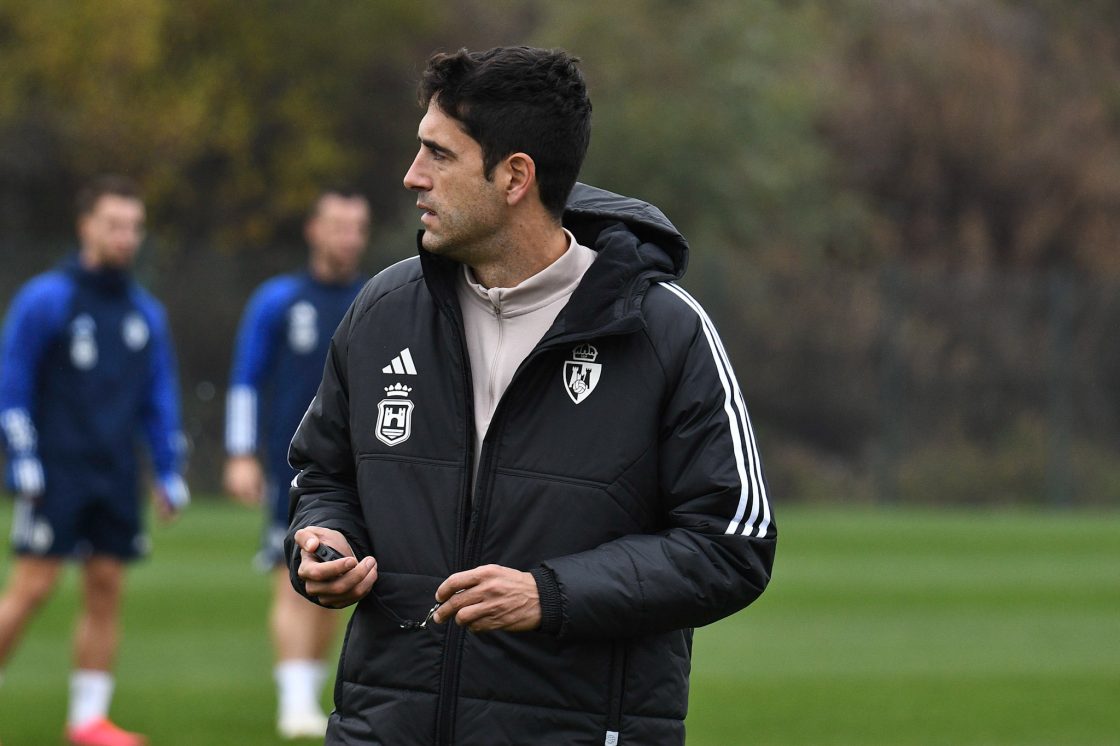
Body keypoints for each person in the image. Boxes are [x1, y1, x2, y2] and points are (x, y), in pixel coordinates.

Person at [285, 46, 776, 745]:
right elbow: (323, 473)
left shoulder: (665, 331)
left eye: (439, 155)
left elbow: (733, 545)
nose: (411, 176)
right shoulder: (385, 309)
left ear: (515, 176)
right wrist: (325, 539)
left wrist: (550, 594)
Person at [0, 175, 189, 746]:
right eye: (114, 225)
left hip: (114, 474)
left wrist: (167, 469)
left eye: (134, 227)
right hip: (55, 473)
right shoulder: (47, 298)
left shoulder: (144, 312)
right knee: (32, 587)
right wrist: (22, 457)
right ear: (86, 226)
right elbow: (12, 384)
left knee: (106, 585)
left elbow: (159, 398)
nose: (126, 237)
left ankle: (87, 721)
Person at [223, 188, 370, 739]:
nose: (348, 237)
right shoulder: (278, 300)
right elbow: (245, 380)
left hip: (358, 468)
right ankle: (293, 700)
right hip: (292, 468)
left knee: (342, 570)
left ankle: (310, 694)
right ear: (313, 230)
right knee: (292, 578)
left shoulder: (377, 297)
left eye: (357, 227)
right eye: (338, 225)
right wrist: (240, 454)